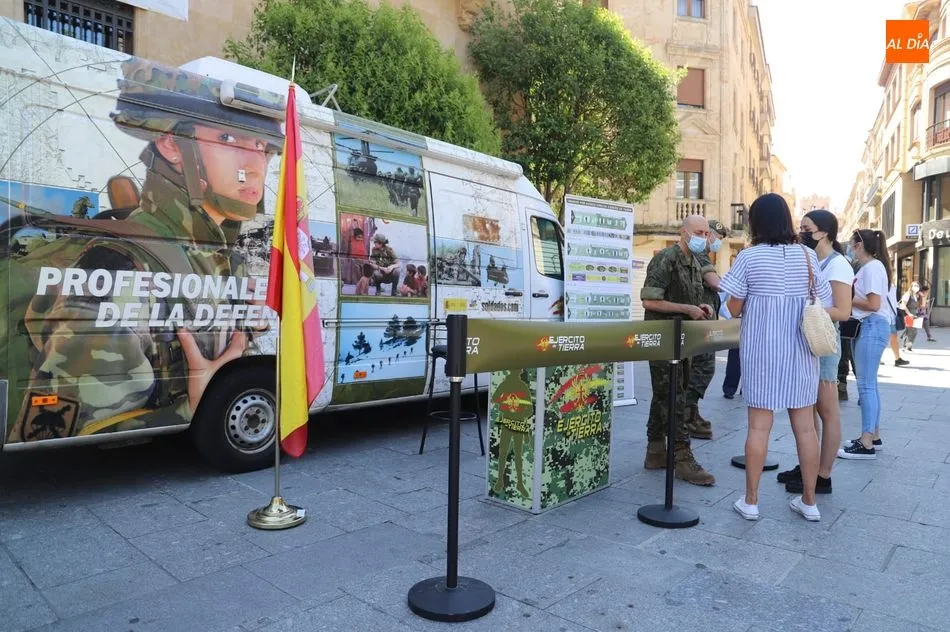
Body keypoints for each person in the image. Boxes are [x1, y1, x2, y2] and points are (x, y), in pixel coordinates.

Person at [15, 57, 284, 439]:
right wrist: (199, 406)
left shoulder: (218, 255)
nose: (256, 164)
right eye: (228, 139)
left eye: (262, 146)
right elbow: (56, 425)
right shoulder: (121, 266)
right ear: (172, 145)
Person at [719, 193, 831, 522]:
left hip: (762, 354)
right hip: (800, 354)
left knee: (758, 428)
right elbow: (824, 299)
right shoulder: (808, 258)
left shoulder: (749, 258)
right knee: (806, 430)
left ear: (756, 222)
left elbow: (733, 307)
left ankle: (751, 501)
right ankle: (809, 501)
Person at [778, 209, 853, 496]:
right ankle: (807, 466)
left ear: (823, 232)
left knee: (827, 410)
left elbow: (843, 311)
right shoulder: (813, 260)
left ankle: (823, 475)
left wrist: (807, 311)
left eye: (806, 228)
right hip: (806, 340)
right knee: (807, 411)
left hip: (821, 340)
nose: (801, 232)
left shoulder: (838, 265)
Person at [640, 214, 716, 486]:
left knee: (665, 395)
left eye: (706, 233)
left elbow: (691, 300)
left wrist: (701, 308)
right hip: (662, 339)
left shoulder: (695, 262)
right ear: (683, 232)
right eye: (698, 232)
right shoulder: (666, 259)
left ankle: (655, 451)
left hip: (682, 341)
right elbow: (650, 301)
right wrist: (687, 309)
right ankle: (682, 455)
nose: (703, 238)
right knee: (674, 396)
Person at [838, 229, 895, 460]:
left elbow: (873, 303)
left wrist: (846, 298)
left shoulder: (872, 267)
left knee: (866, 386)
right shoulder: (872, 267)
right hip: (872, 326)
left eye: (851, 243)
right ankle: (874, 435)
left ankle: (866, 442)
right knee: (870, 384)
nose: (849, 247)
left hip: (871, 326)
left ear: (859, 245)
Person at [685, 219, 729, 439]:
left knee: (701, 369)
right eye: (714, 237)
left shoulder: (703, 255)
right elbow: (715, 283)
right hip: (698, 324)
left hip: (703, 321)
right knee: (703, 369)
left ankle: (691, 412)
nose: (715, 242)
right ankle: (687, 415)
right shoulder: (700, 255)